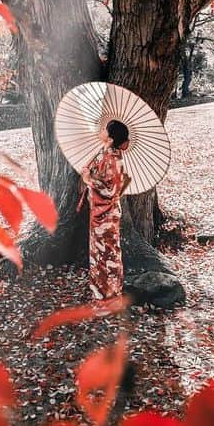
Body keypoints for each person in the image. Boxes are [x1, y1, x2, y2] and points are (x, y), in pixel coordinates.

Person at [80, 118, 131, 299]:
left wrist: (88, 179)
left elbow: (109, 190)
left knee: (108, 253)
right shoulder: (105, 153)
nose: (101, 130)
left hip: (106, 214)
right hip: (99, 212)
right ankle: (100, 291)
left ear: (110, 138)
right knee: (99, 252)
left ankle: (110, 293)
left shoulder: (112, 159)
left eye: (104, 129)